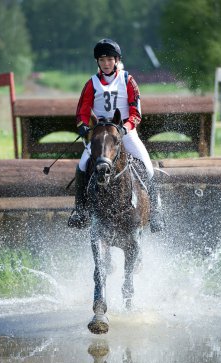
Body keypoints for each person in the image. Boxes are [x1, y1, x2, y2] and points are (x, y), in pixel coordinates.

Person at [68, 38, 164, 233]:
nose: (106, 64)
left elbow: (135, 113)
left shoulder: (128, 80)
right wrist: (83, 127)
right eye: (102, 60)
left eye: (109, 60)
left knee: (147, 165)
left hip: (125, 132)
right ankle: (80, 210)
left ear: (117, 60)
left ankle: (157, 212)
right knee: (82, 164)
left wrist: (125, 128)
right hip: (101, 134)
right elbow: (82, 112)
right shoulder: (91, 84)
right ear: (97, 62)